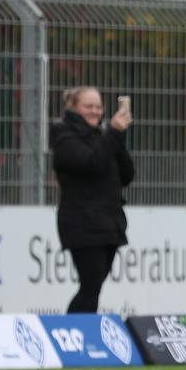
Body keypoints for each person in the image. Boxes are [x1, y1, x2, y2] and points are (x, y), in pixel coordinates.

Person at [51, 86, 134, 314]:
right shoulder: (64, 136)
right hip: (82, 223)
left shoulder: (103, 136)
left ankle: (82, 327)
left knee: (94, 288)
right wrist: (113, 134)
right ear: (74, 107)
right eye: (89, 106)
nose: (95, 111)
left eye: (98, 107)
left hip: (109, 224)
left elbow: (127, 174)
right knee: (90, 286)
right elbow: (91, 163)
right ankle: (74, 328)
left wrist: (118, 136)